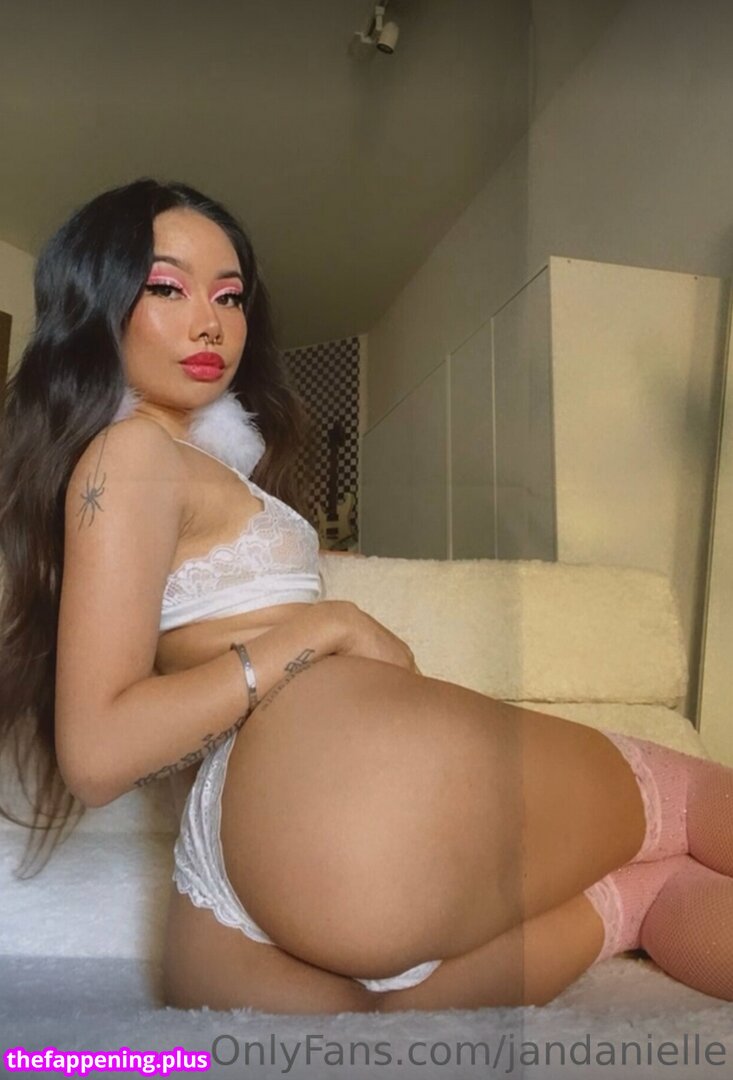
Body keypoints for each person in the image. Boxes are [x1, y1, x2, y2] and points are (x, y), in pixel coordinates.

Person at [0, 179, 732, 1017]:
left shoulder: (171, 469)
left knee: (638, 895)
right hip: (334, 788)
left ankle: (637, 905)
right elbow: (96, 753)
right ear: (96, 305)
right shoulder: (132, 454)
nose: (210, 323)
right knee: (683, 800)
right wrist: (327, 625)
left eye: (229, 296)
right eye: (167, 288)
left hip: (231, 872)